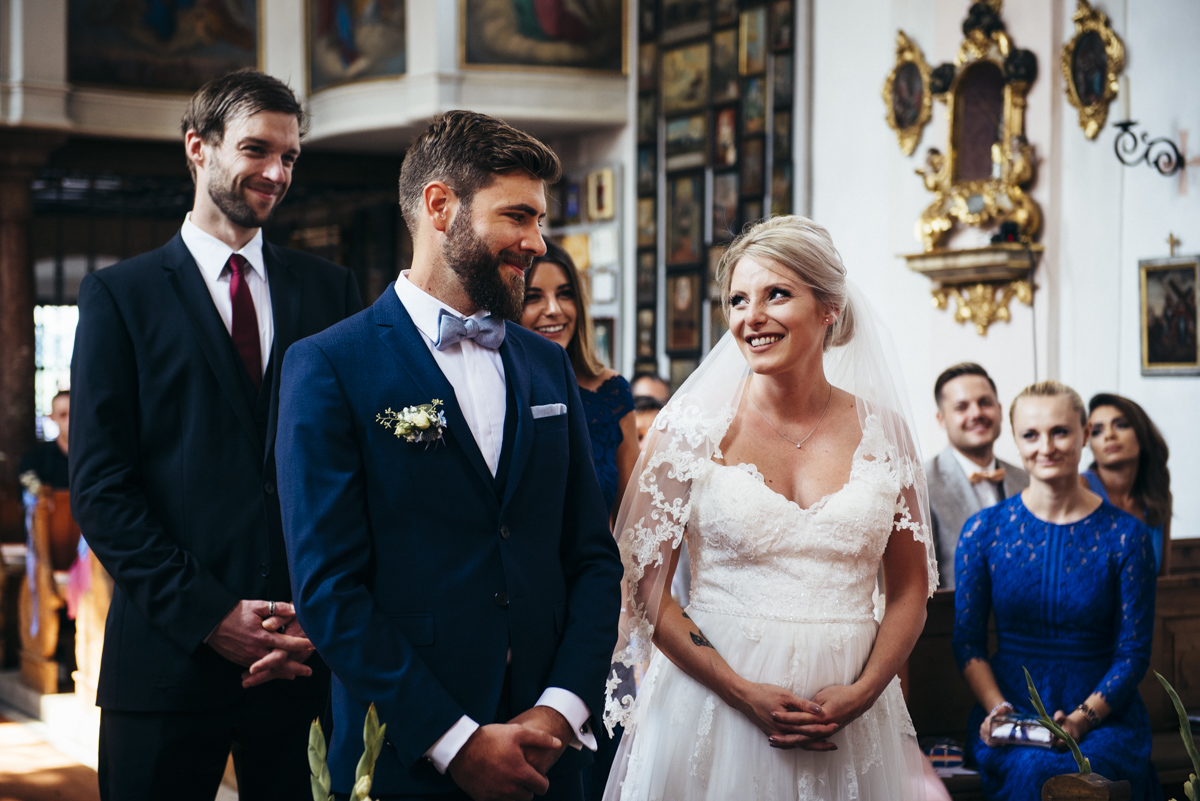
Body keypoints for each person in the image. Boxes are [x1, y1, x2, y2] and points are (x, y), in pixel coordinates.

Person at [276, 110, 623, 801]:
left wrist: (560, 708)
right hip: (406, 757)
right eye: (518, 216)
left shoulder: (546, 367)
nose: (537, 241)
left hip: (548, 758)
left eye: (539, 219)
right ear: (440, 205)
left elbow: (590, 555)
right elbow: (327, 590)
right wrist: (455, 740)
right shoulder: (329, 365)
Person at [69, 70, 362, 801]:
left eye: (290, 156)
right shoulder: (119, 296)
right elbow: (102, 488)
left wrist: (320, 616)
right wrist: (211, 616)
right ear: (197, 147)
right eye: (257, 149)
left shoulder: (330, 291)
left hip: (303, 663)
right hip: (167, 661)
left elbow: (351, 468)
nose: (276, 171)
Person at [602, 215, 937, 801]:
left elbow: (910, 590)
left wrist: (864, 693)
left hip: (852, 714)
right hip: (713, 707)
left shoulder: (886, 434)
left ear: (829, 307)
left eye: (776, 294)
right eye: (736, 300)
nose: (750, 318)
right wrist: (739, 690)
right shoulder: (688, 433)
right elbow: (646, 588)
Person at [953, 381, 1158, 801]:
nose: (1045, 446)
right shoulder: (983, 531)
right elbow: (968, 641)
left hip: (1104, 715)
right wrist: (998, 711)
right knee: (1034, 770)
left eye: (1060, 432)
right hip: (1013, 712)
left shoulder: (1127, 536)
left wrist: (1083, 719)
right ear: (1015, 439)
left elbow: (1134, 652)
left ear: (1084, 435)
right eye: (1031, 434)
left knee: (1081, 776)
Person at [520, 239, 638, 516]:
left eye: (565, 294)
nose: (553, 309)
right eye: (533, 297)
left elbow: (632, 521)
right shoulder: (498, 387)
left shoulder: (612, 392)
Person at [925, 363, 1028, 590]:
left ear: (1000, 410)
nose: (977, 413)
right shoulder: (921, 484)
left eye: (985, 403)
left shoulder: (1027, 479)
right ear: (941, 419)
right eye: (962, 407)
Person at [1082, 393, 1171, 573]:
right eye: (1097, 431)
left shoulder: (1160, 495)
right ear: (1089, 444)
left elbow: (1162, 580)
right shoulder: (1079, 488)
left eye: (1121, 425)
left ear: (1142, 433)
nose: (1109, 436)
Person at [19, 390, 70, 488]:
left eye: (74, 415)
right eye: (63, 415)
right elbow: (31, 498)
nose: (69, 421)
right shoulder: (35, 460)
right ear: (52, 417)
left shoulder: (95, 456)